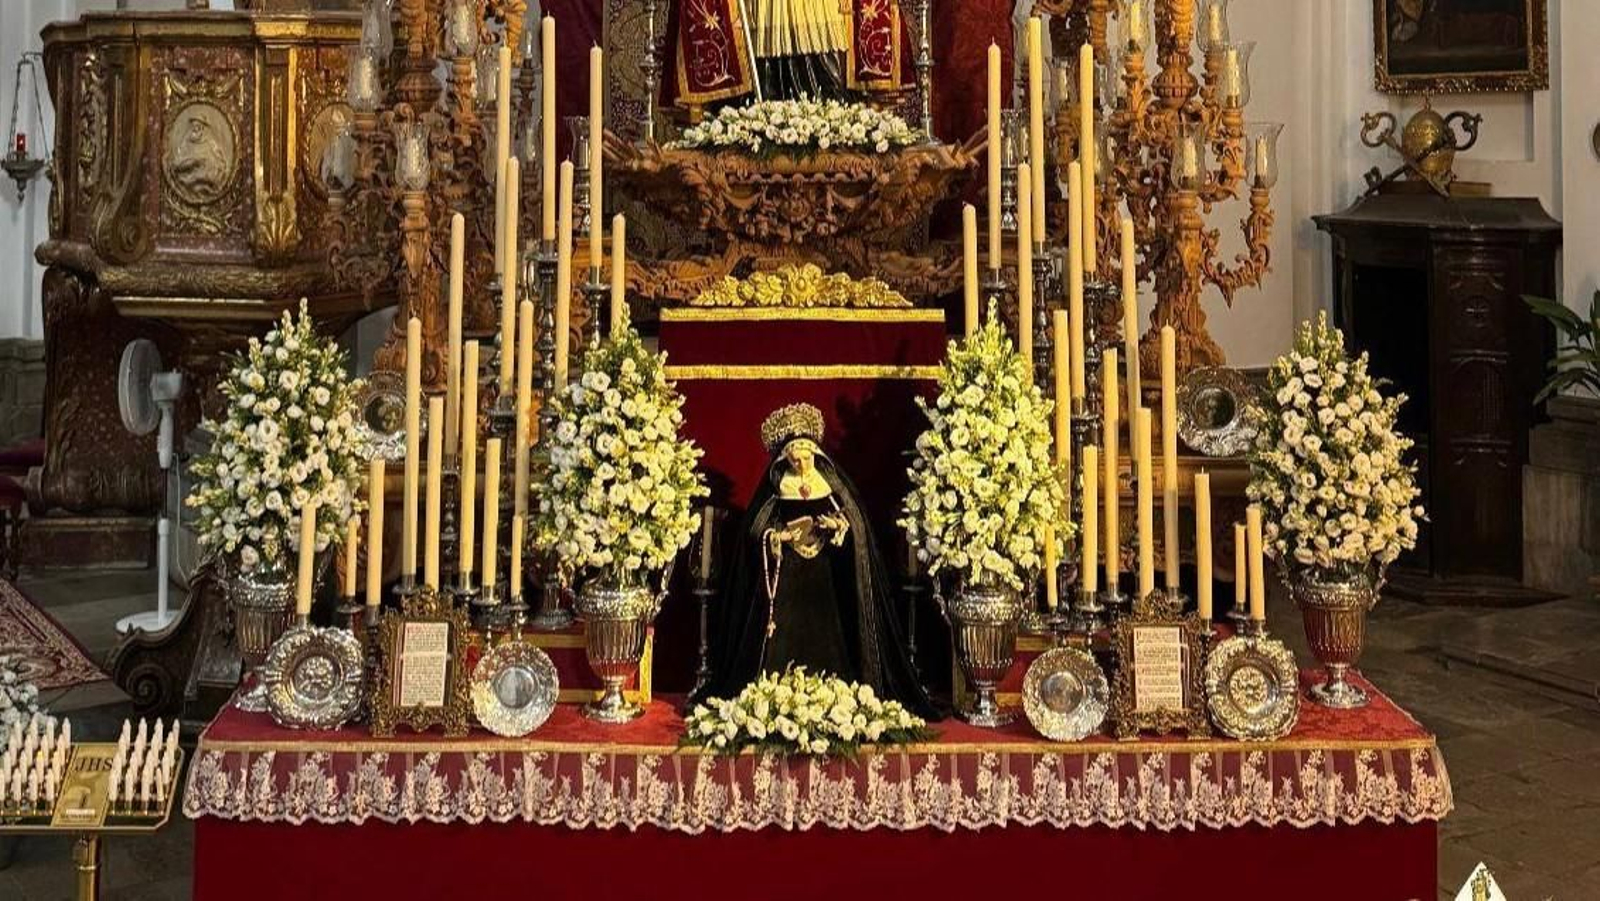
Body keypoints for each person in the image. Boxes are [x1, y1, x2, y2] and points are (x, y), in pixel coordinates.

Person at [700, 403, 935, 718]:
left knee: (831, 641)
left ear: (816, 454)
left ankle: (836, 688)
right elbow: (757, 531)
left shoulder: (830, 484)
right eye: (794, 458)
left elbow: (856, 526)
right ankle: (776, 694)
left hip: (825, 579)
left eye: (806, 456)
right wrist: (776, 537)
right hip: (787, 581)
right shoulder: (777, 487)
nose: (800, 463)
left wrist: (840, 527)